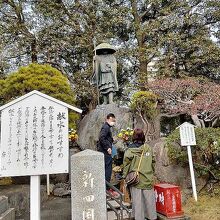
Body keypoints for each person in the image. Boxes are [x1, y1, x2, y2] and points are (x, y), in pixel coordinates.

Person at [123, 128, 157, 220]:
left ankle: (139, 218)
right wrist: (151, 173)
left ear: (133, 136)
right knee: (149, 202)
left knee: (137, 202)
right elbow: (153, 162)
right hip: (147, 178)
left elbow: (126, 164)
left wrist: (124, 176)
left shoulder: (130, 149)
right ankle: (152, 218)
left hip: (135, 179)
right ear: (143, 136)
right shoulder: (148, 149)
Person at [97, 113, 119, 197]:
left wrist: (112, 140)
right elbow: (101, 138)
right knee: (107, 170)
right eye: (113, 120)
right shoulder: (105, 127)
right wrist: (107, 147)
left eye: (114, 121)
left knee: (107, 170)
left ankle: (106, 188)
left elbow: (105, 138)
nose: (113, 122)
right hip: (105, 152)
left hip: (105, 152)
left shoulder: (107, 127)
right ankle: (106, 189)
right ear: (108, 119)